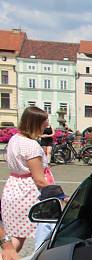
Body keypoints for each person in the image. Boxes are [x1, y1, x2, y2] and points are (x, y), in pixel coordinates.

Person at [0, 106, 53, 252]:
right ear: (35, 124)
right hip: (27, 194)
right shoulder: (31, 146)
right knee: (20, 241)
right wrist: (60, 195)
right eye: (44, 124)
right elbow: (39, 180)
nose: (46, 126)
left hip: (13, 188)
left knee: (15, 239)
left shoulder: (15, 139)